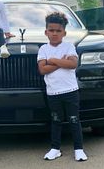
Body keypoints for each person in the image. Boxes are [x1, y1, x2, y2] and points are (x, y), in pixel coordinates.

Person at [37, 12, 88, 162]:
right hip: (53, 92)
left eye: (58, 31)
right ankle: (55, 148)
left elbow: (72, 64)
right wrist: (59, 61)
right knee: (56, 120)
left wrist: (51, 61)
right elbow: (42, 70)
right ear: (46, 32)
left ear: (64, 33)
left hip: (70, 91)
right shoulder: (43, 49)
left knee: (74, 120)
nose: (54, 33)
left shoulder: (69, 46)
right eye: (51, 30)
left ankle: (79, 149)